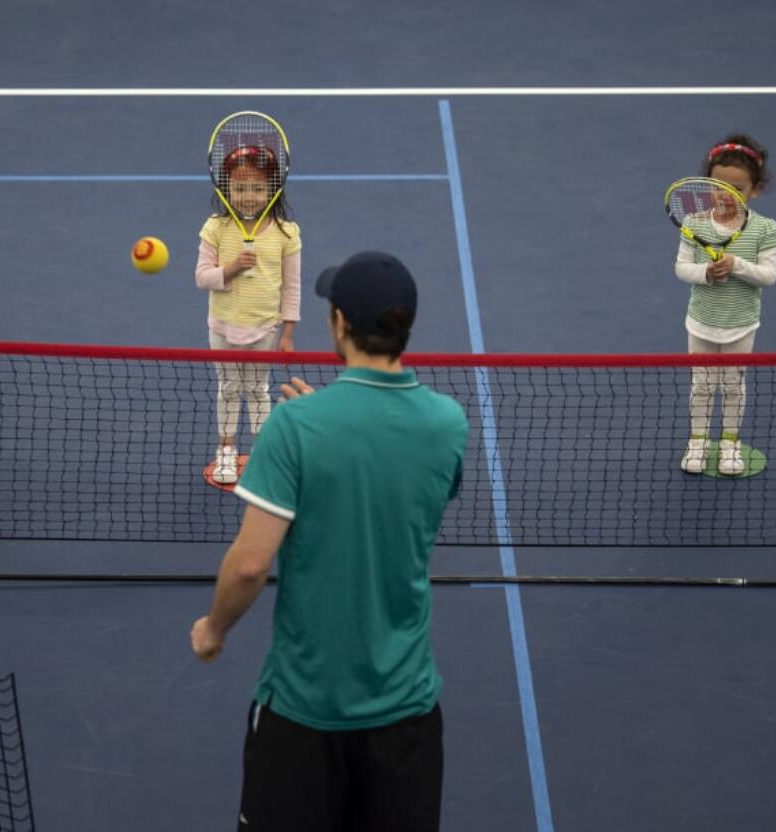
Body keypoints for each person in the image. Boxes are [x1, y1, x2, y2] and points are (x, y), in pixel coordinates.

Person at [190, 251, 468, 831]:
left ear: (340, 323)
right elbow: (390, 482)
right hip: (407, 715)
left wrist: (213, 630)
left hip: (304, 713)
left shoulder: (294, 428)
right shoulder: (448, 424)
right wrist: (335, 426)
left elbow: (249, 566)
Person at [195, 145, 301, 485]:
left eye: (257, 188)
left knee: (257, 389)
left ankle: (262, 452)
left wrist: (287, 333)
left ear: (272, 188)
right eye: (240, 188)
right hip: (223, 327)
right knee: (228, 388)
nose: (248, 196)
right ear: (226, 188)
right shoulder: (215, 228)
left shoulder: (287, 233)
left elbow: (292, 288)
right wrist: (231, 268)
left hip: (265, 329)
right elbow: (201, 278)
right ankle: (225, 450)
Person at [675, 133, 776, 475]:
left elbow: (768, 276)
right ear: (707, 185)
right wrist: (706, 271)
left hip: (741, 323)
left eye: (738, 188)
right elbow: (681, 268)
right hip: (701, 321)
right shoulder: (694, 223)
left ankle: (730, 443)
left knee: (733, 386)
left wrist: (736, 265)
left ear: (755, 189)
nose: (727, 195)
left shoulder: (765, 228)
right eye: (719, 186)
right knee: (702, 385)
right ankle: (699, 441)